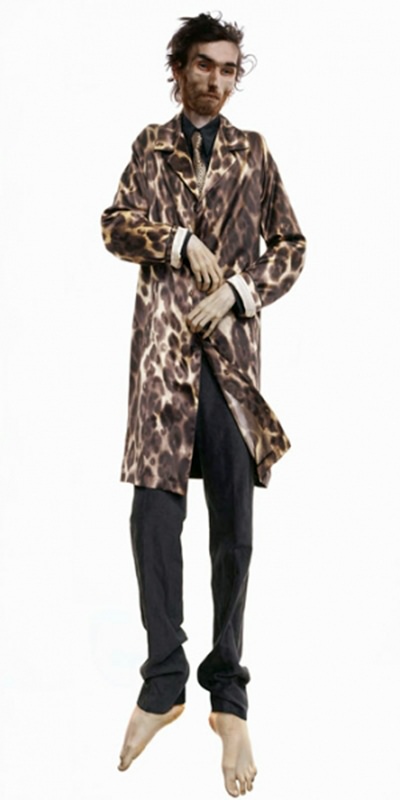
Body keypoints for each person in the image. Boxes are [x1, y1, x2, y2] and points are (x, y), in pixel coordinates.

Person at [101, 12, 306, 797]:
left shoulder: (254, 153)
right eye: (204, 65)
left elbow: (292, 245)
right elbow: (114, 225)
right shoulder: (149, 147)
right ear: (178, 68)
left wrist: (240, 291)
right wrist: (179, 243)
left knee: (233, 533)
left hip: (230, 368)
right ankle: (164, 682)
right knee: (153, 520)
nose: (217, 79)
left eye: (228, 68)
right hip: (162, 364)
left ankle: (229, 698)